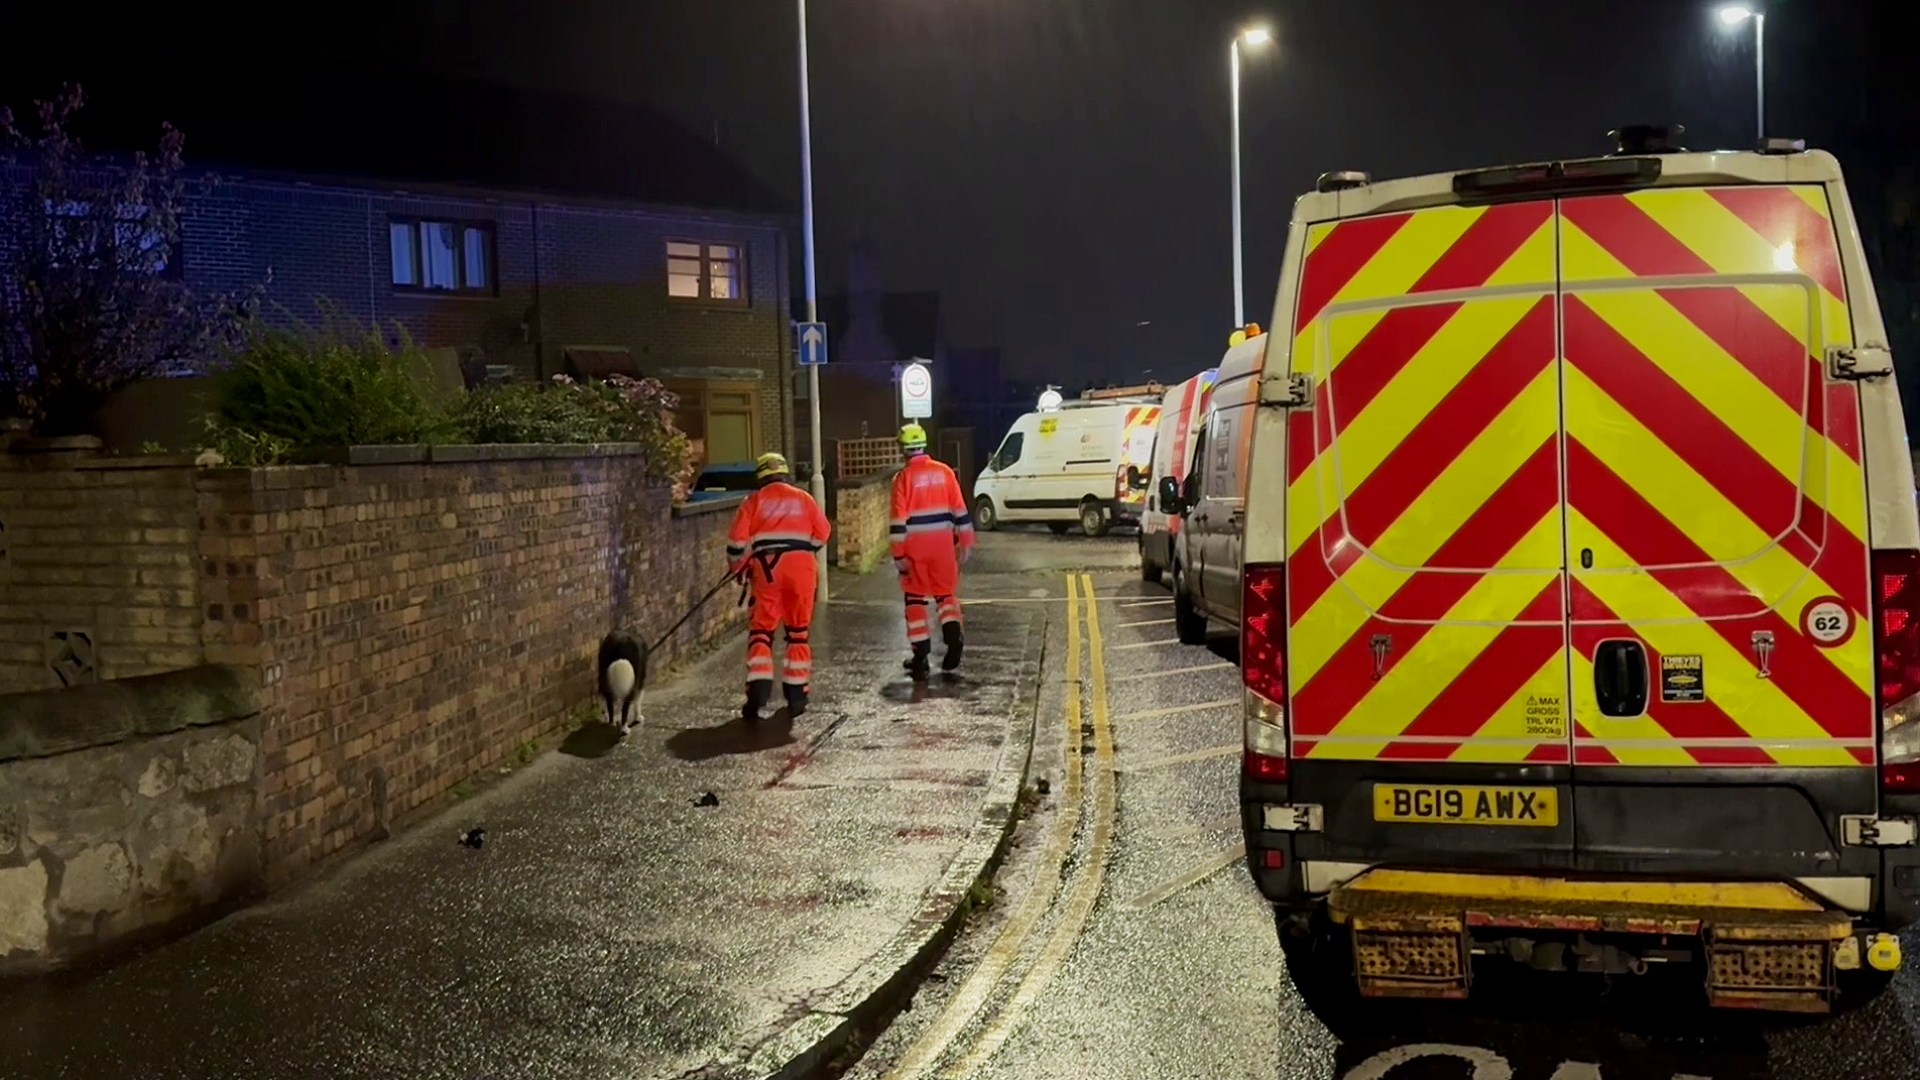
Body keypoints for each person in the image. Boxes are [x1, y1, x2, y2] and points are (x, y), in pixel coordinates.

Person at [726, 452, 831, 721]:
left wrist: (738, 570)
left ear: (760, 476)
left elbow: (737, 544)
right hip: (802, 568)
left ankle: (758, 690)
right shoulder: (803, 498)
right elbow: (823, 532)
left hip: (767, 568)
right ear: (785, 473)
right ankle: (797, 695)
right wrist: (805, 550)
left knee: (762, 630)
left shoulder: (753, 501)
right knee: (798, 632)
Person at [889, 423, 976, 680]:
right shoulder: (945, 472)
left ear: (904, 449)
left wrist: (898, 554)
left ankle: (921, 656)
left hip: (916, 548)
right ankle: (953, 634)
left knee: (914, 599)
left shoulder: (903, 479)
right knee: (945, 595)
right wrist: (966, 541)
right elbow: (960, 510)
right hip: (943, 546)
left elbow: (897, 521)